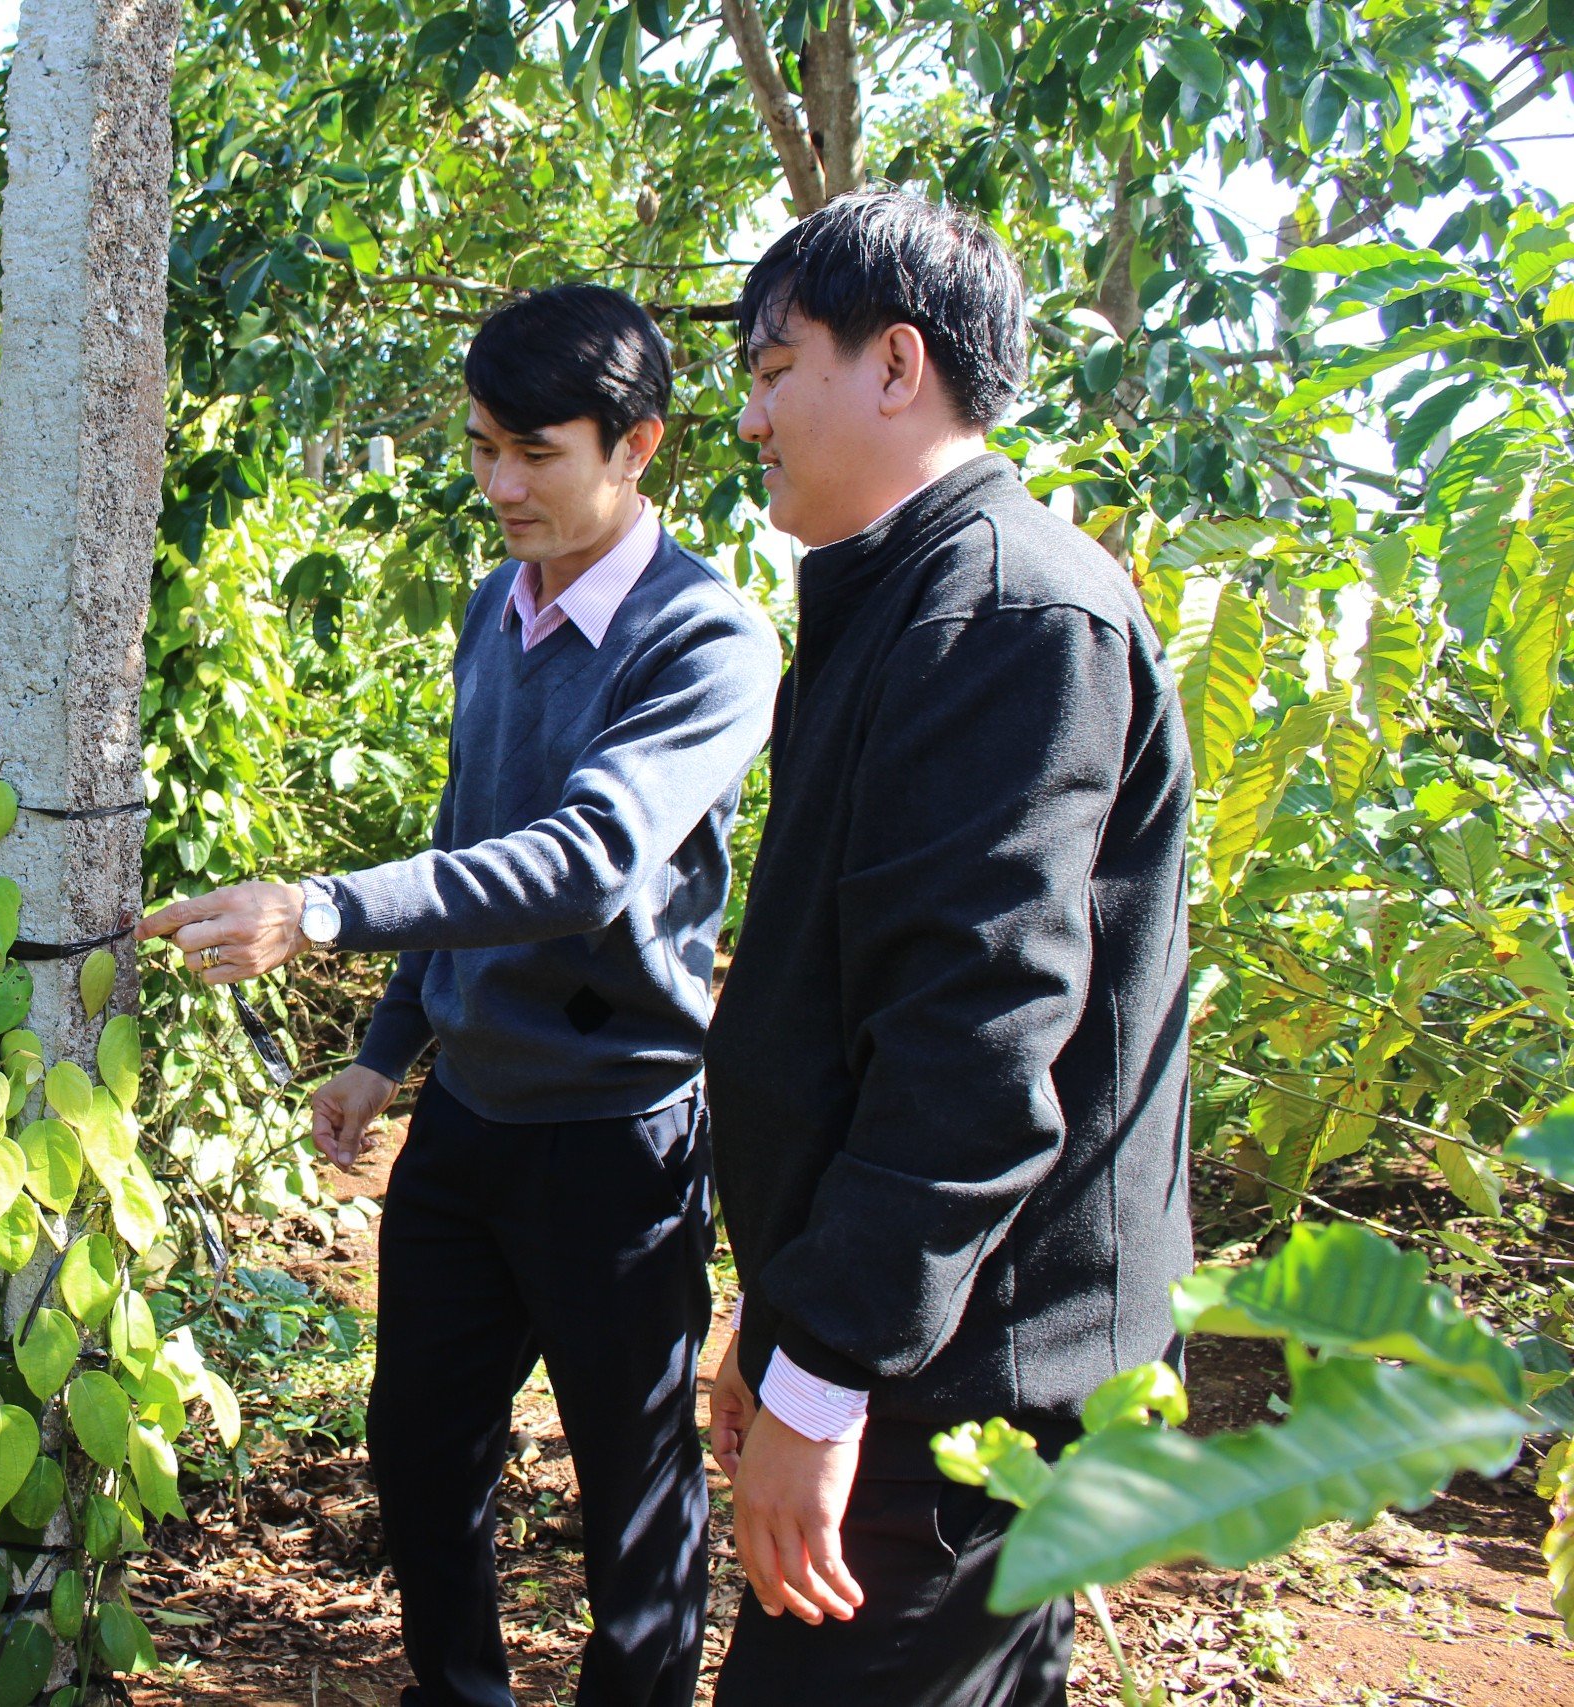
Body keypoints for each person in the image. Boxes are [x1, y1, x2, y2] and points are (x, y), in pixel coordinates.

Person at [137, 284, 780, 1706]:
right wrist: (386, 1048)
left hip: (619, 1137)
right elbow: (469, 822)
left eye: (536, 453)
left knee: (634, 1499)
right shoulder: (499, 605)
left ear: (639, 445)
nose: (500, 485)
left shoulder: (706, 641)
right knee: (423, 1450)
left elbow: (585, 856)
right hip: (473, 1119)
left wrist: (321, 914)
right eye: (484, 446)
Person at [702, 190, 1194, 1705]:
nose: (753, 417)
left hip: (962, 1376)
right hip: (908, 1337)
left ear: (897, 364)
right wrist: (779, 1315)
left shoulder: (1004, 614)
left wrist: (827, 1370)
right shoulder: (916, 596)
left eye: (779, 370)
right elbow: (859, 1008)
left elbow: (973, 1052)